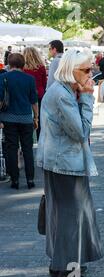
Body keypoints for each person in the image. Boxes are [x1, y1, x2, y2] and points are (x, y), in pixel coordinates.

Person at [36, 49, 102, 277]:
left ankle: (59, 264)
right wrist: (87, 98)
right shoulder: (63, 95)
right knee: (73, 217)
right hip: (64, 164)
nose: (90, 74)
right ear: (70, 70)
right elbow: (80, 132)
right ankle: (71, 273)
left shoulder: (61, 90)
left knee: (61, 215)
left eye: (91, 68)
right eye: (86, 69)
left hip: (59, 162)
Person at [0, 53, 38, 190]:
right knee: (27, 149)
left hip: (8, 118)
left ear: (10, 64)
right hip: (26, 118)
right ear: (23, 64)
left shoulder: (3, 78)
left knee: (11, 148)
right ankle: (30, 179)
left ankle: (14, 180)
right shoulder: (29, 79)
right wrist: (36, 118)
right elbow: (34, 101)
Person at [23, 47, 47, 140]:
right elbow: (44, 83)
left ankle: (28, 141)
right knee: (40, 119)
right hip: (39, 94)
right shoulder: (41, 67)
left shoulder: (22, 68)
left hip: (26, 95)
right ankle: (40, 139)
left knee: (27, 118)